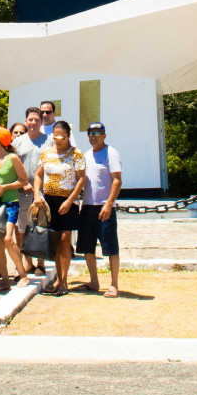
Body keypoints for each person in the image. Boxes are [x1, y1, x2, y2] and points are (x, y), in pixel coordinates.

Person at [32, 120, 85, 296]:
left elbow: (81, 179)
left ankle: (64, 281)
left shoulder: (76, 154)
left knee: (65, 240)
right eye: (55, 137)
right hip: (49, 201)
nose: (58, 140)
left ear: (68, 135)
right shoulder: (46, 153)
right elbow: (38, 176)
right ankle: (58, 279)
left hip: (67, 200)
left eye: (62, 136)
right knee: (54, 241)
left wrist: (70, 201)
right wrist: (37, 195)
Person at [77, 122, 123, 297]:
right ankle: (94, 281)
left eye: (97, 133)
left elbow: (117, 180)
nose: (93, 136)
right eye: (90, 133)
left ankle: (114, 284)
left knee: (110, 247)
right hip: (87, 206)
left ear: (104, 135)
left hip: (104, 207)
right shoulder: (86, 155)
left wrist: (109, 203)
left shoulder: (111, 153)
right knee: (87, 247)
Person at [0, 126, 28, 290]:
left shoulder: (13, 158)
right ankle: (4, 280)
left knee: (8, 238)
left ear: (0, 141)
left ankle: (23, 274)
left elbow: (24, 181)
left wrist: (6, 187)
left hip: (11, 204)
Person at [12, 107, 48, 273]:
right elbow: (12, 166)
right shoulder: (18, 142)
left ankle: (41, 263)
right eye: (30, 120)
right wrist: (22, 182)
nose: (33, 122)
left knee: (41, 227)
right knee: (22, 229)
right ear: (26, 122)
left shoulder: (49, 141)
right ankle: (28, 262)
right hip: (22, 191)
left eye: (36, 120)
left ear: (41, 122)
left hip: (43, 191)